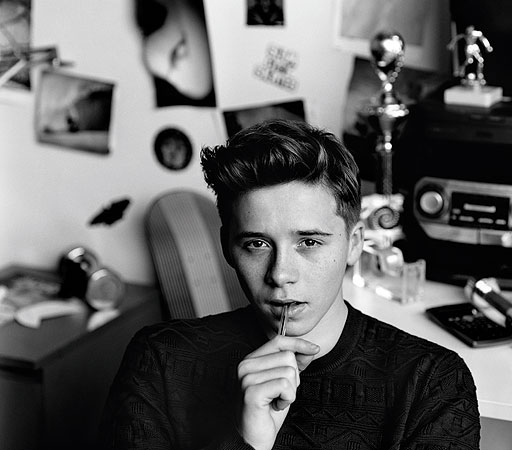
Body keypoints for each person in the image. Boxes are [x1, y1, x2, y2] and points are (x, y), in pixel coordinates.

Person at [99, 119, 480, 449]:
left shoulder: (430, 381)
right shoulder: (161, 358)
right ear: (227, 248)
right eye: (256, 244)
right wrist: (248, 441)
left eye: (309, 242)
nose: (280, 274)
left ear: (354, 245)